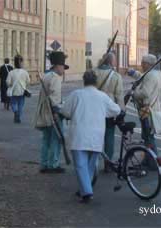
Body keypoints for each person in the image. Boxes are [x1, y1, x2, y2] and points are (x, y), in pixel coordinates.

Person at [59, 71, 121, 203]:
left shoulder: (76, 94)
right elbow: (116, 110)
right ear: (96, 82)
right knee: (90, 165)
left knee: (81, 165)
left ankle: (87, 192)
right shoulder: (102, 96)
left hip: (79, 134)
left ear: (84, 81)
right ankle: (85, 189)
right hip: (97, 134)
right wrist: (104, 113)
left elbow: (65, 111)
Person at [34, 51, 68, 173]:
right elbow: (55, 99)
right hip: (53, 113)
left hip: (45, 112)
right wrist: (61, 111)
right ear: (58, 66)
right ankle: (53, 164)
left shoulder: (47, 76)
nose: (64, 69)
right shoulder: (55, 78)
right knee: (56, 139)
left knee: (46, 139)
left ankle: (44, 163)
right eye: (63, 66)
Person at [128, 54, 161, 157]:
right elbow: (143, 77)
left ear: (148, 64)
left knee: (148, 136)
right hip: (151, 108)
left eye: (143, 63)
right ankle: (150, 159)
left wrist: (133, 92)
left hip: (147, 110)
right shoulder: (156, 73)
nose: (141, 64)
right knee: (148, 135)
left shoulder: (150, 75)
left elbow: (145, 93)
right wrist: (134, 73)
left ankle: (152, 160)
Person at [93, 52, 125, 172]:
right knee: (109, 136)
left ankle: (93, 162)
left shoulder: (93, 73)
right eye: (115, 60)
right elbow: (119, 95)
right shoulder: (116, 76)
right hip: (109, 110)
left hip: (95, 109)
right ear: (111, 62)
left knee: (95, 136)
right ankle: (108, 163)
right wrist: (121, 110)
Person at [6, 54, 30, 123]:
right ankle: (18, 116)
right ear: (21, 63)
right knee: (21, 105)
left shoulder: (11, 72)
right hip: (22, 91)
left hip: (13, 91)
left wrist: (10, 85)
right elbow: (28, 82)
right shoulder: (25, 72)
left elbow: (8, 82)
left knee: (13, 103)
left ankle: (15, 112)